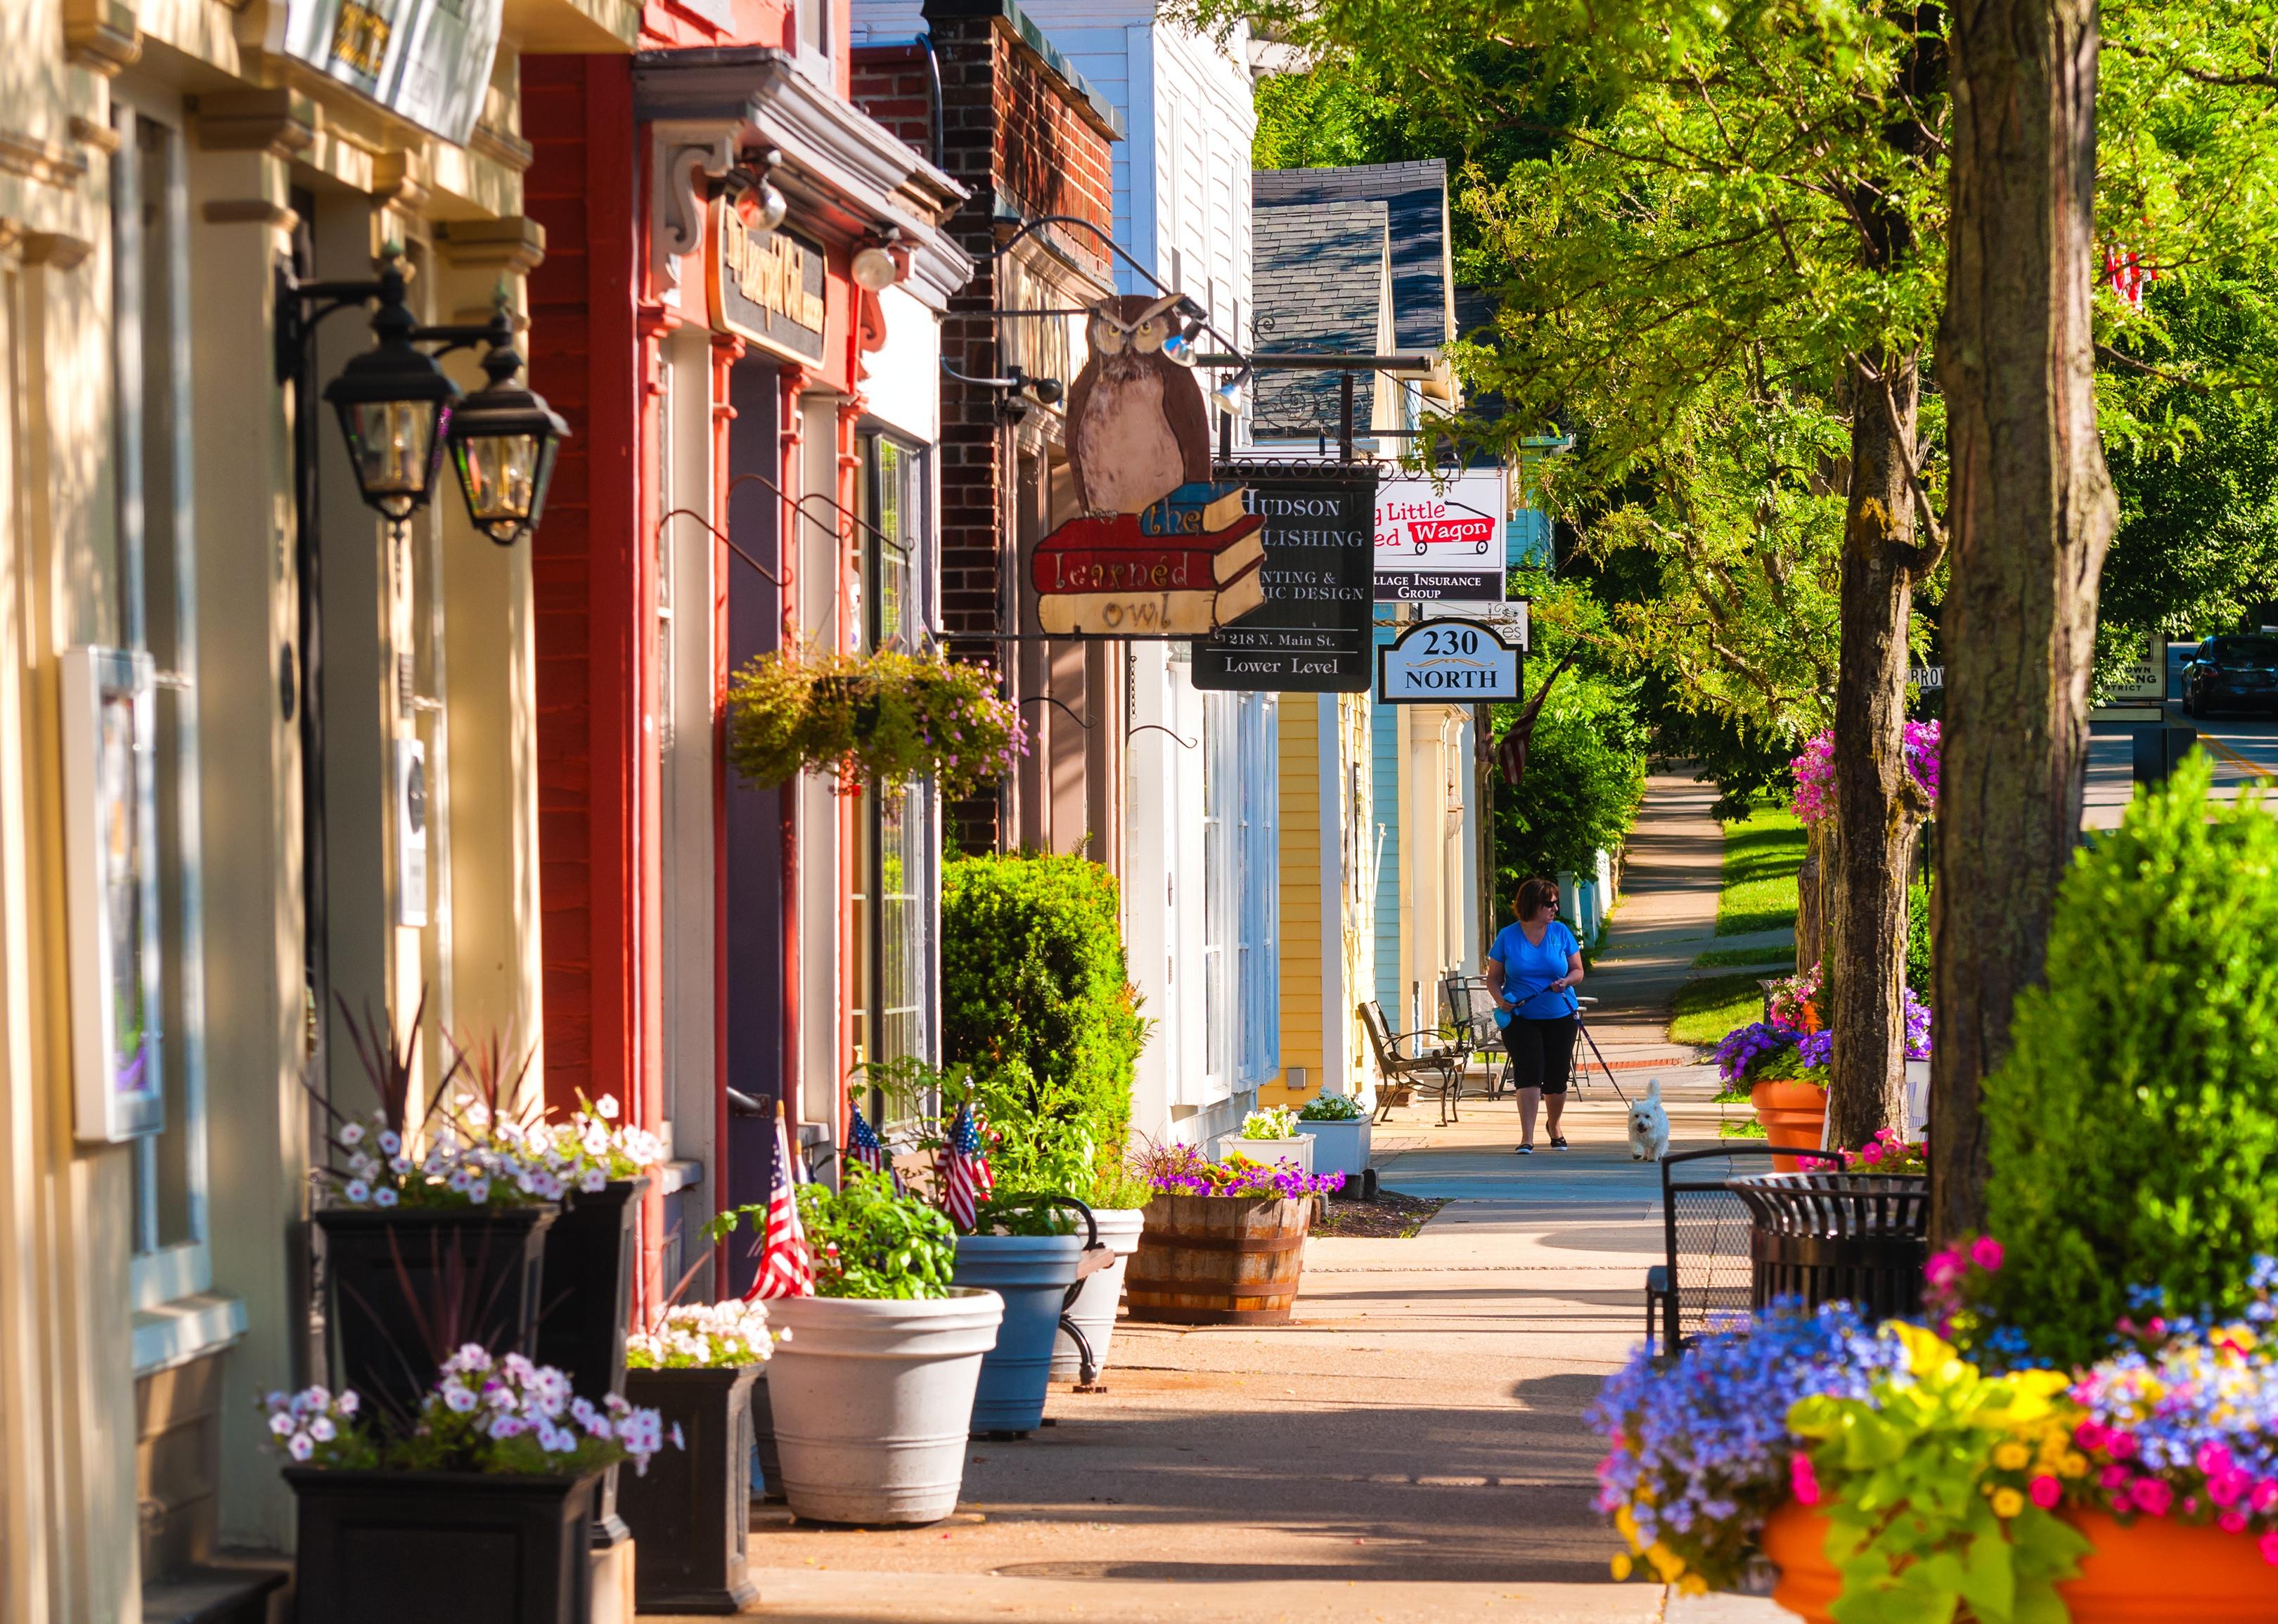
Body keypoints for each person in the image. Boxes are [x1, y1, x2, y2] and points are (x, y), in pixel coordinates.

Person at [1483, 876, 1583, 1154]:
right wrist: (1501, 1001)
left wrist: (1566, 982)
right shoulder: (1508, 936)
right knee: (1529, 1072)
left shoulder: (1561, 932)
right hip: (1521, 1018)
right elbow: (1493, 978)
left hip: (1560, 1014)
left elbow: (1578, 970)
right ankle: (1527, 1138)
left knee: (1557, 1076)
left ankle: (1555, 1126)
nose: (1554, 909)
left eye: (1555, 904)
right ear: (1532, 905)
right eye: (1549, 904)